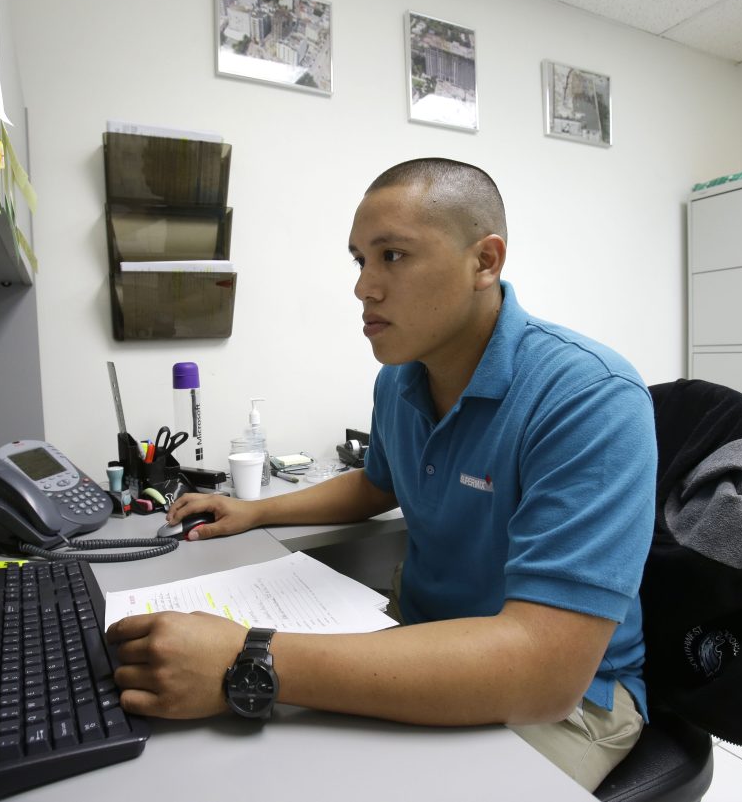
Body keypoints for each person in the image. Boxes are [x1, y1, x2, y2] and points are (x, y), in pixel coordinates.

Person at [108, 158, 657, 790]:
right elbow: (377, 483)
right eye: (359, 260)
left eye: (392, 255)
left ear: (485, 262)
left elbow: (545, 672)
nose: (364, 287)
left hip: (567, 701)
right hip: (419, 633)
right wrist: (257, 511)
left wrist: (246, 656)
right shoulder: (399, 379)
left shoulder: (589, 397)